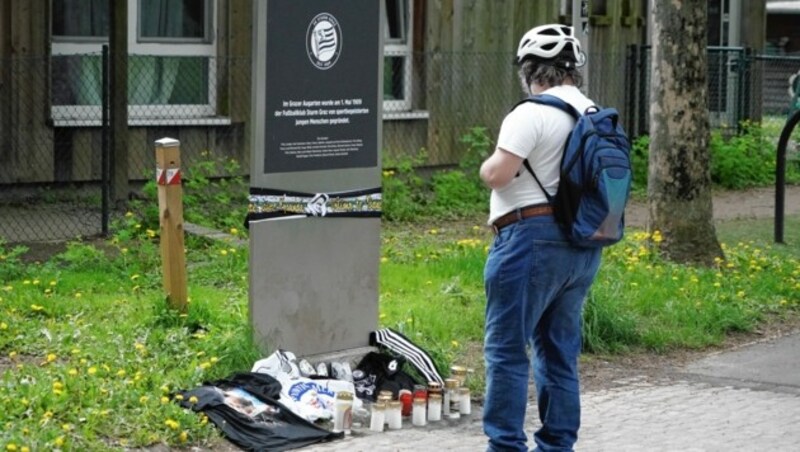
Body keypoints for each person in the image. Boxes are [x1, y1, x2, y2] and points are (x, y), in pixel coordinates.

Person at [479, 24, 602, 452]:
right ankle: (557, 445)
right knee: (558, 351)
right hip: (582, 246)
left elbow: (498, 175)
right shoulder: (593, 113)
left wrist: (484, 166)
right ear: (573, 71)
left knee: (507, 351)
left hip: (529, 242)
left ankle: (505, 447)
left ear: (530, 70)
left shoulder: (530, 113)